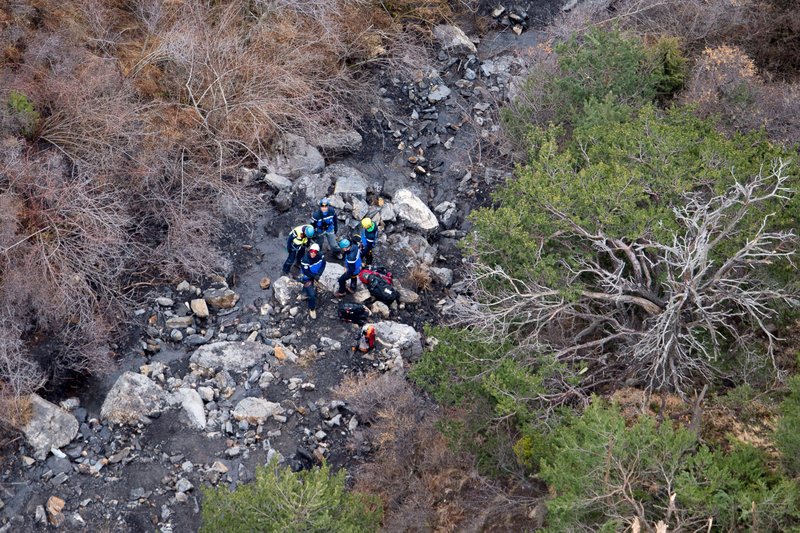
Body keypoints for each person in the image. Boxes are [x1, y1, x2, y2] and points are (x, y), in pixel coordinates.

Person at [299, 243, 326, 319]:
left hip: (315, 275)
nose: (313, 254)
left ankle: (304, 293)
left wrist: (319, 273)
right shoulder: (305, 259)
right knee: (312, 295)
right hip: (306, 277)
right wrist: (314, 277)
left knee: (309, 289)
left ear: (317, 253)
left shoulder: (320, 256)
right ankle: (312, 308)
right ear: (309, 251)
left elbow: (323, 264)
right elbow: (306, 271)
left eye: (315, 252)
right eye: (311, 252)